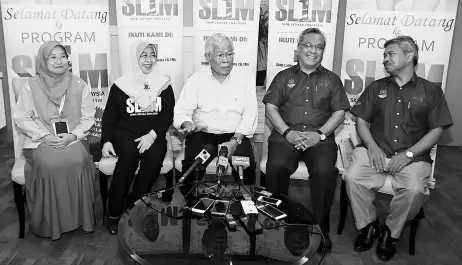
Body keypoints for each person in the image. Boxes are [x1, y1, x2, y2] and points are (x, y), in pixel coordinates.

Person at [344, 35, 453, 261]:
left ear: (410, 55)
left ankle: (390, 233)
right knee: (353, 176)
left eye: (390, 54)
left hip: (413, 156)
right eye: (384, 55)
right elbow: (361, 121)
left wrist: (409, 154)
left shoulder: (431, 91)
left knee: (414, 190)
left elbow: (437, 130)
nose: (385, 59)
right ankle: (368, 226)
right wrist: (372, 147)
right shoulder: (377, 87)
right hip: (376, 150)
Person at [262, 27, 350, 253]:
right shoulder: (284, 77)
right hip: (285, 136)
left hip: (320, 139)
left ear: (323, 52)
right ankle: (278, 224)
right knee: (277, 167)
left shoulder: (332, 79)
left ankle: (321, 229)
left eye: (319, 47)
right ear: (298, 49)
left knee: (324, 172)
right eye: (308, 45)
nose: (313, 50)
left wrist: (318, 134)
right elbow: (271, 107)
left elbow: (339, 113)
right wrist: (287, 133)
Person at [14, 41, 96, 240]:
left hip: (73, 138)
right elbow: (21, 118)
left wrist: (72, 136)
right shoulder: (30, 85)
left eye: (62, 56)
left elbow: (88, 118)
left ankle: (80, 218)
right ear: (43, 60)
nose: (59, 61)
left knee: (78, 160)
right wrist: (45, 136)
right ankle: (53, 223)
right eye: (53, 57)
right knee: (50, 164)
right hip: (41, 139)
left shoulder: (79, 84)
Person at [101, 40, 175, 235]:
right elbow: (109, 116)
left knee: (154, 158)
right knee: (129, 158)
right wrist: (107, 141)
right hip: (126, 132)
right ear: (135, 58)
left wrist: (152, 135)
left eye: (152, 55)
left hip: (153, 133)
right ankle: (114, 212)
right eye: (144, 55)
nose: (149, 60)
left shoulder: (164, 82)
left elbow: (168, 114)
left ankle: (132, 204)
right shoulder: (121, 85)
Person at [174, 33, 258, 191]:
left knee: (245, 168)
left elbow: (250, 117)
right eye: (220, 55)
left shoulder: (245, 79)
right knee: (192, 166)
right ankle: (188, 206)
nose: (226, 60)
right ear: (208, 57)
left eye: (229, 54)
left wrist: (235, 141)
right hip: (204, 133)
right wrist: (188, 124)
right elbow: (181, 112)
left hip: (236, 135)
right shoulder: (196, 80)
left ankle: (245, 207)